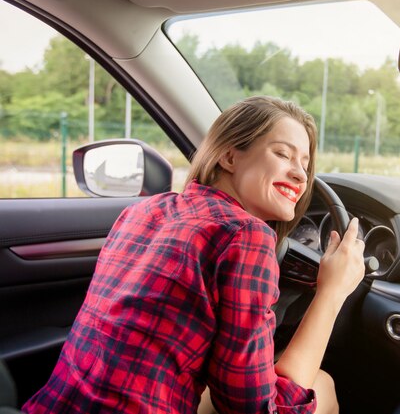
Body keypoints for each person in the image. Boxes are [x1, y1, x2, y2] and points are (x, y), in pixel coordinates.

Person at [22, 96, 365, 414]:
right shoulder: (247, 235)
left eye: (305, 163)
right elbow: (253, 408)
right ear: (229, 156)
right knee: (323, 385)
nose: (300, 174)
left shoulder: (143, 210)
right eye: (282, 154)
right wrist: (332, 291)